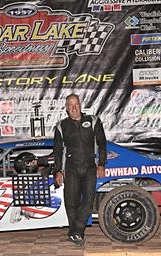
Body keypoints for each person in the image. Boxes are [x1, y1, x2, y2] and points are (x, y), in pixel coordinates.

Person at [53, 93, 107, 246]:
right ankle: (76, 233)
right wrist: (58, 171)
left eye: (76, 104)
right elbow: (57, 151)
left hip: (90, 167)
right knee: (71, 203)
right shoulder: (61, 126)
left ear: (80, 105)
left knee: (88, 202)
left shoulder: (93, 121)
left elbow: (102, 144)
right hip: (71, 168)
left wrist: (101, 164)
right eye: (70, 105)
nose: (74, 107)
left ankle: (76, 231)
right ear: (66, 108)